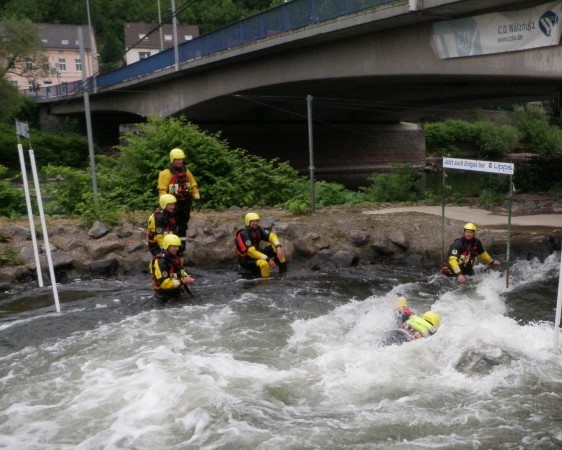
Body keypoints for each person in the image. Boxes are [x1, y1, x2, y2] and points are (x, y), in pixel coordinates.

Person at [157, 148, 201, 240]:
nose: (180, 161)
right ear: (173, 160)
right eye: (178, 159)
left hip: (185, 203)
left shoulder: (186, 172)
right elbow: (162, 190)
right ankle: (170, 245)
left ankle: (181, 247)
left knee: (183, 226)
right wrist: (165, 204)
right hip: (173, 204)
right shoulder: (166, 173)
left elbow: (193, 186)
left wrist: (197, 199)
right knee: (171, 224)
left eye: (181, 159)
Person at [235, 212, 287, 278]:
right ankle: (266, 281)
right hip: (246, 259)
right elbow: (251, 252)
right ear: (248, 222)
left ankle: (284, 273)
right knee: (264, 264)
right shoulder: (244, 233)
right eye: (253, 221)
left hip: (257, 255)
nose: (255, 223)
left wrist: (278, 247)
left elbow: (272, 236)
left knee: (276, 250)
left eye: (256, 221)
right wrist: (268, 259)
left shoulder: (258, 229)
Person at [151, 234, 194, 303]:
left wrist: (186, 276)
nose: (177, 249)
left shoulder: (173, 256)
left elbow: (179, 270)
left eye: (177, 246)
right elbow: (164, 284)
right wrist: (182, 281)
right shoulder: (161, 261)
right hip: (164, 295)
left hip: (175, 289)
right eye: (174, 246)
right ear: (167, 246)